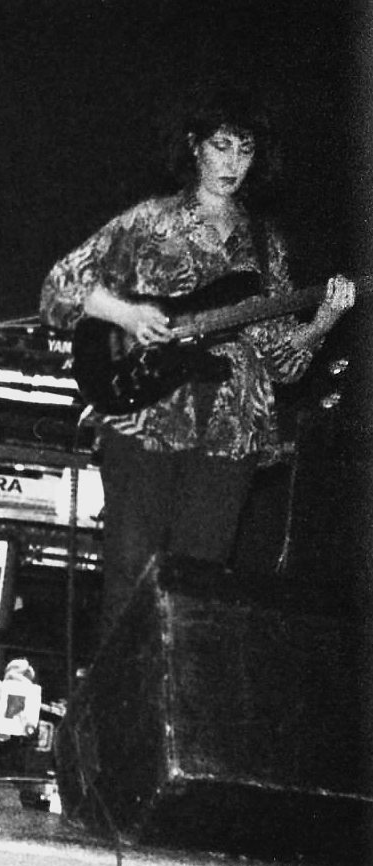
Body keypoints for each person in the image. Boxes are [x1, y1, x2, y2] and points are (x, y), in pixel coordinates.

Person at [39, 86, 356, 644]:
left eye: (245, 149)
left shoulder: (267, 246)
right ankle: (117, 697)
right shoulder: (149, 221)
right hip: (146, 418)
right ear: (195, 146)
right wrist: (128, 313)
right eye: (221, 146)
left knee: (199, 592)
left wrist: (324, 321)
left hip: (230, 436)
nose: (233, 162)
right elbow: (59, 288)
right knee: (130, 582)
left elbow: (284, 365)